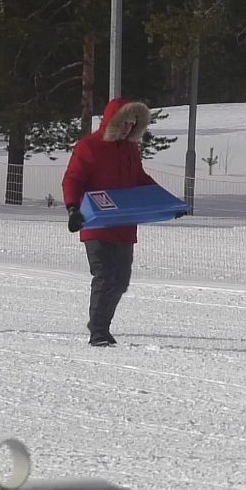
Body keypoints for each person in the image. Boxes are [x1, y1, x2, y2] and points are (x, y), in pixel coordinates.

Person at [61, 97, 158, 347]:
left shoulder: (130, 150)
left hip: (124, 225)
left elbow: (140, 179)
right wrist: (73, 209)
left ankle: (99, 322)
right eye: (123, 122)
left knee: (122, 280)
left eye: (132, 123)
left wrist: (167, 202)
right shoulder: (88, 147)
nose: (127, 128)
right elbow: (72, 179)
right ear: (112, 121)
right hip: (95, 222)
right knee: (105, 276)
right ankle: (100, 331)